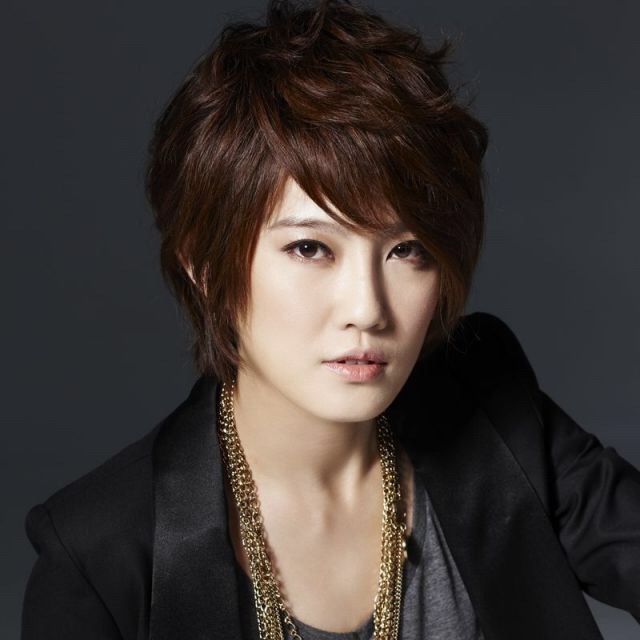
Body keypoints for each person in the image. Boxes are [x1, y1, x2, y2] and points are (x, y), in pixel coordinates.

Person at [20, 0, 640, 638]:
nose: (367, 308)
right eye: (310, 248)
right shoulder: (99, 554)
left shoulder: (492, 413)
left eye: (408, 250)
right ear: (204, 265)